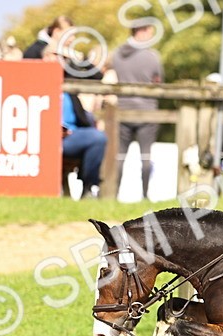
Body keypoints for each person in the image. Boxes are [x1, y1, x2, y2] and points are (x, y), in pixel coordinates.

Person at [108, 20, 164, 202]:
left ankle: (113, 194)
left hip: (122, 109)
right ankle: (145, 195)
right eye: (149, 31)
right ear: (142, 31)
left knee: (119, 155)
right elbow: (159, 82)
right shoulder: (152, 56)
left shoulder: (116, 54)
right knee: (146, 155)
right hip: (146, 111)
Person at [48, 45, 107, 199]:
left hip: (72, 135)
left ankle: (89, 187)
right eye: (54, 55)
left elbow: (98, 77)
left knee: (98, 137)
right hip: (47, 137)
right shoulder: (35, 82)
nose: (58, 59)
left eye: (63, 57)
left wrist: (83, 61)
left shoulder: (68, 82)